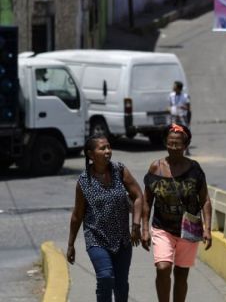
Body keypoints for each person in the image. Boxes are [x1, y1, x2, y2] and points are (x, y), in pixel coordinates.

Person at [67, 133, 143, 302]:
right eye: (103, 148)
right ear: (91, 154)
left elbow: (138, 196)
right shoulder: (84, 181)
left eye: (109, 147)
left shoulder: (120, 170)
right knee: (106, 277)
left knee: (121, 286)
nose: (108, 151)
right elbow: (77, 215)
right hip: (96, 238)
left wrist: (136, 226)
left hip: (122, 239)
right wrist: (71, 245)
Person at [141, 123, 212, 302]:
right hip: (162, 227)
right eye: (170, 143)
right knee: (163, 268)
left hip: (188, 228)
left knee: (181, 274)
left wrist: (207, 228)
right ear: (165, 143)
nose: (173, 147)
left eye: (177, 144)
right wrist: (143, 229)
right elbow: (147, 201)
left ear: (185, 146)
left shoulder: (194, 169)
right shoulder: (155, 168)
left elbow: (204, 200)